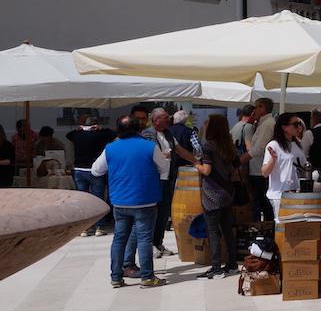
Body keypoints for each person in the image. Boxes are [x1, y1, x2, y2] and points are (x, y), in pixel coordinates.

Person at [92, 114, 168, 288]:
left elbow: (96, 171)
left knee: (119, 239)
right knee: (144, 239)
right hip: (145, 199)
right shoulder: (150, 146)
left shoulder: (111, 148)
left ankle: (116, 277)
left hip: (119, 201)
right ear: (138, 128)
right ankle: (147, 277)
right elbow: (164, 167)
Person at [144, 108, 196, 258]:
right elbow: (152, 155)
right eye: (166, 117)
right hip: (155, 179)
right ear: (155, 120)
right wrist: (163, 155)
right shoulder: (148, 134)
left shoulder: (168, 133)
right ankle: (151, 245)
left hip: (168, 178)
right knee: (154, 213)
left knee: (164, 212)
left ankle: (158, 242)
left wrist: (196, 161)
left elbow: (180, 150)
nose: (169, 119)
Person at [194, 114, 240, 279]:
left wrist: (196, 164)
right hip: (228, 192)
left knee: (213, 231)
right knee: (228, 229)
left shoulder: (209, 146)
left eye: (207, 123)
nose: (205, 125)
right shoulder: (228, 145)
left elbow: (207, 170)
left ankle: (216, 267)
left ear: (212, 127)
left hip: (212, 194)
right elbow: (236, 165)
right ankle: (232, 264)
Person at [66, 118, 116, 236]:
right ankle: (100, 226)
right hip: (95, 170)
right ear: (95, 125)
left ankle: (86, 228)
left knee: (83, 199)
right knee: (98, 199)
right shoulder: (100, 135)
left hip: (79, 169)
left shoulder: (76, 135)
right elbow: (113, 134)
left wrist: (78, 129)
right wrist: (102, 129)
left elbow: (69, 135)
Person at [261, 114, 305, 220]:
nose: (299, 127)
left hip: (296, 193)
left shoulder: (297, 144)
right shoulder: (274, 145)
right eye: (295, 124)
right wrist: (273, 159)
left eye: (299, 124)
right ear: (284, 127)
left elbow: (303, 166)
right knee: (282, 228)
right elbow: (264, 172)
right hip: (279, 195)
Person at [246, 97, 277, 222]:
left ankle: (262, 229)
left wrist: (243, 158)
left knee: (261, 202)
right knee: (260, 202)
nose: (254, 109)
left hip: (260, 170)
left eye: (257, 106)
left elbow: (259, 148)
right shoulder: (263, 123)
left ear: (263, 108)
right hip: (257, 169)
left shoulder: (267, 124)